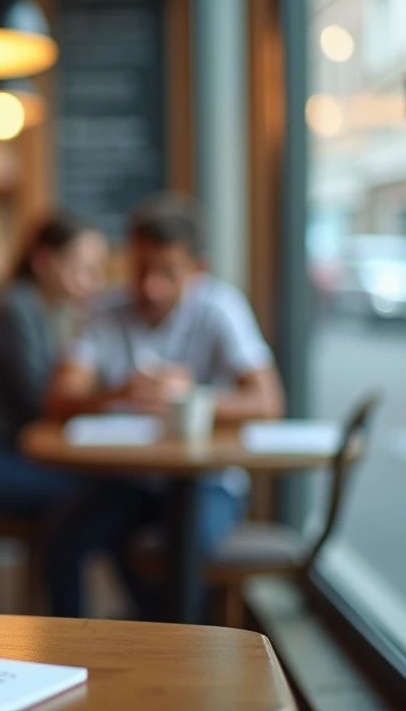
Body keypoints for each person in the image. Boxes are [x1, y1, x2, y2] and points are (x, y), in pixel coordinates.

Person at [44, 193, 285, 619]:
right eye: (142, 270)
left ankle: (185, 660)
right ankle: (69, 658)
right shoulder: (105, 311)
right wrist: (120, 392)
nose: (152, 287)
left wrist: (190, 399)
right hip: (130, 479)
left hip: (206, 479)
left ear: (199, 270)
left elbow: (268, 402)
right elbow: (60, 399)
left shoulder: (220, 307)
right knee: (62, 538)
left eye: (168, 273)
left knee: (186, 552)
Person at [0, 213, 108, 513]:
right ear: (44, 262)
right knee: (100, 495)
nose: (95, 280)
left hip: (8, 455)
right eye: (83, 268)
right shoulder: (15, 311)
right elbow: (42, 405)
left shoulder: (38, 310)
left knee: (107, 489)